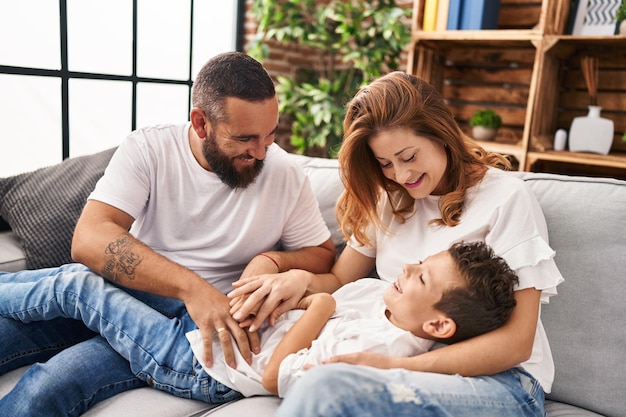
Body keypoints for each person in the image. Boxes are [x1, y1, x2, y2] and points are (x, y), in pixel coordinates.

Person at [0, 51, 335, 416]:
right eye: (244, 138)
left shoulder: (284, 174)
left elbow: (321, 253)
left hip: (177, 330)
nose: (260, 151)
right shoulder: (150, 148)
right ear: (201, 123)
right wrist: (192, 288)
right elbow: (89, 239)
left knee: (48, 385)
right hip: (121, 290)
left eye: (269, 135)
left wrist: (271, 259)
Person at [229, 71, 564, 417]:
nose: (401, 175)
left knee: (327, 388)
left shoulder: (506, 197)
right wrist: (298, 278)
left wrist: (391, 368)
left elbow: (517, 343)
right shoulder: (389, 199)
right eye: (385, 163)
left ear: (441, 134)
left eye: (409, 157)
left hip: (499, 382)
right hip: (402, 368)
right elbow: (341, 282)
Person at [0, 240, 518, 401]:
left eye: (422, 278)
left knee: (79, 288)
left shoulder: (387, 357)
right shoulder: (373, 293)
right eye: (418, 263)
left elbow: (276, 379)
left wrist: (316, 310)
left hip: (205, 364)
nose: (406, 268)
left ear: (439, 327)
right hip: (224, 323)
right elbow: (315, 292)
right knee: (79, 272)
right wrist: (283, 292)